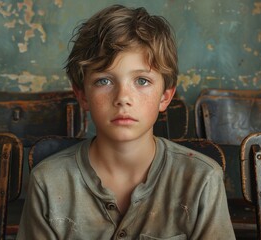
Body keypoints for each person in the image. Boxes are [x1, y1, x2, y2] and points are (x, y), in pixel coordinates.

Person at [17, 4, 235, 239]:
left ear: (165, 97)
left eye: (141, 81)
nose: (122, 98)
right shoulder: (48, 182)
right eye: (104, 81)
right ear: (82, 95)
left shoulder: (201, 180)